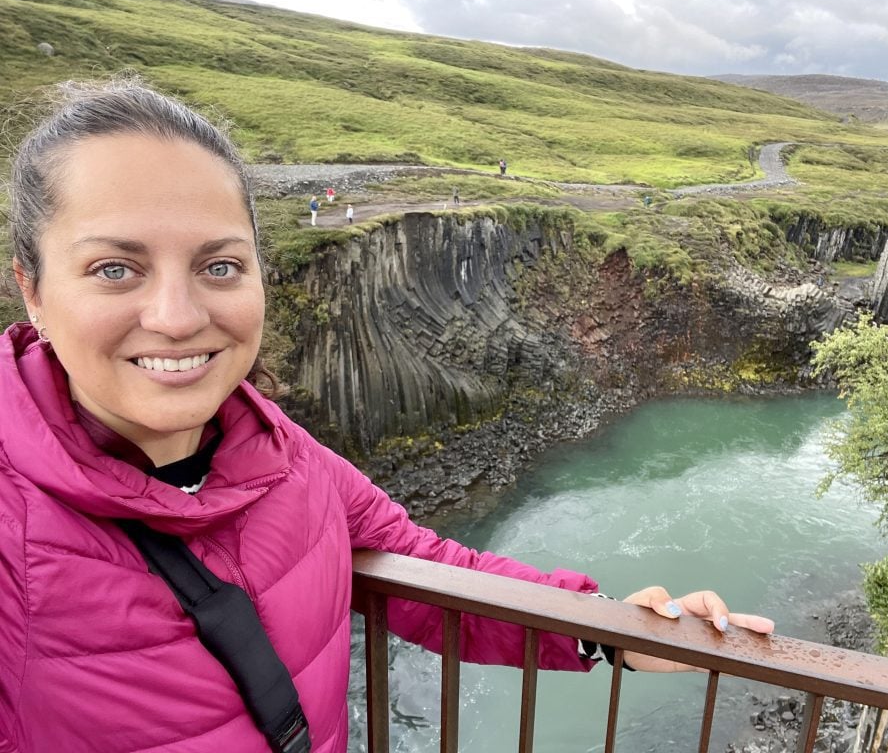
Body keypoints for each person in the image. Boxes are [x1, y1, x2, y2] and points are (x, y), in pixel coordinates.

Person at [0, 78, 774, 752]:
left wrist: (612, 633)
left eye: (219, 266)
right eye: (114, 269)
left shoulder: (284, 456)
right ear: (32, 287)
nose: (174, 316)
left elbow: (427, 571)